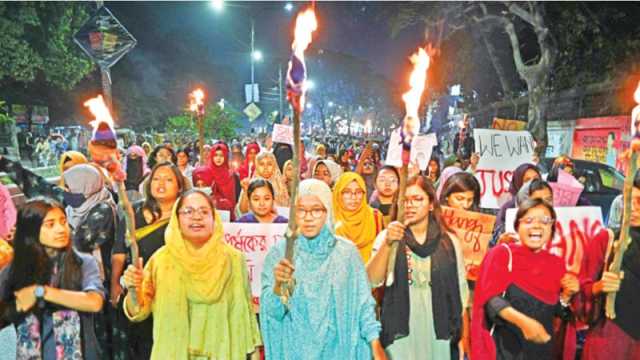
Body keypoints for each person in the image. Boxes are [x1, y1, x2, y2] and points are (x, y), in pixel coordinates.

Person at [122, 190, 262, 359]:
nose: (197, 217)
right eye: (188, 211)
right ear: (177, 219)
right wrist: (133, 289)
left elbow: (245, 317)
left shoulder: (233, 259)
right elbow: (138, 312)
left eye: (204, 212)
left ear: (214, 218)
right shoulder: (161, 260)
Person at [260, 179, 385, 359]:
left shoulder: (346, 254)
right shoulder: (282, 254)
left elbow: (362, 303)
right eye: (302, 210)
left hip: (339, 350)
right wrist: (279, 286)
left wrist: (374, 343)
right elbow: (273, 314)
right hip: (295, 351)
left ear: (327, 210)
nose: (308, 217)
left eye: (316, 210)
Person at [367, 175, 467, 359]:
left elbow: (461, 295)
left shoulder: (449, 242)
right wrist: (388, 244)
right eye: (405, 200)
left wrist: (463, 338)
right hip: (401, 328)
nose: (410, 205)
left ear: (431, 204)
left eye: (417, 199)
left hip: (439, 328)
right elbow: (372, 280)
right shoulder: (388, 238)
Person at [471, 198, 578, 360]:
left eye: (544, 221)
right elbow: (491, 301)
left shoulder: (556, 264)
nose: (536, 225)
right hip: (505, 351)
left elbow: (555, 312)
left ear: (552, 228)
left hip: (540, 352)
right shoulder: (502, 254)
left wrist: (566, 296)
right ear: (517, 226)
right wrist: (524, 322)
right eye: (528, 220)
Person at [0, 198, 104, 359]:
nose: (61, 229)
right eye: (50, 224)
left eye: (63, 222)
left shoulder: (83, 262)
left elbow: (94, 302)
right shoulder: (13, 270)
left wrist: (41, 292)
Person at [111, 162, 186, 359]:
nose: (161, 184)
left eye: (168, 180)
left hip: (172, 295)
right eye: (156, 178)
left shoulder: (186, 216)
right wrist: (115, 284)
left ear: (179, 186)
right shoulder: (132, 213)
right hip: (137, 290)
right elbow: (119, 251)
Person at [578, 169, 640, 359]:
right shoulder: (605, 240)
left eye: (639, 202)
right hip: (609, 341)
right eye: (629, 198)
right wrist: (599, 287)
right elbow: (579, 292)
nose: (633, 207)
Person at [333, 172, 384, 263]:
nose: (353, 197)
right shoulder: (330, 220)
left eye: (358, 192)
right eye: (347, 192)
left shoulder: (375, 217)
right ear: (338, 194)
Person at [491, 163, 542, 246]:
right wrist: (502, 240)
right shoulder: (508, 208)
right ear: (518, 182)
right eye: (527, 180)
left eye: (536, 179)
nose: (532, 183)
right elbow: (495, 242)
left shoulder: (550, 204)